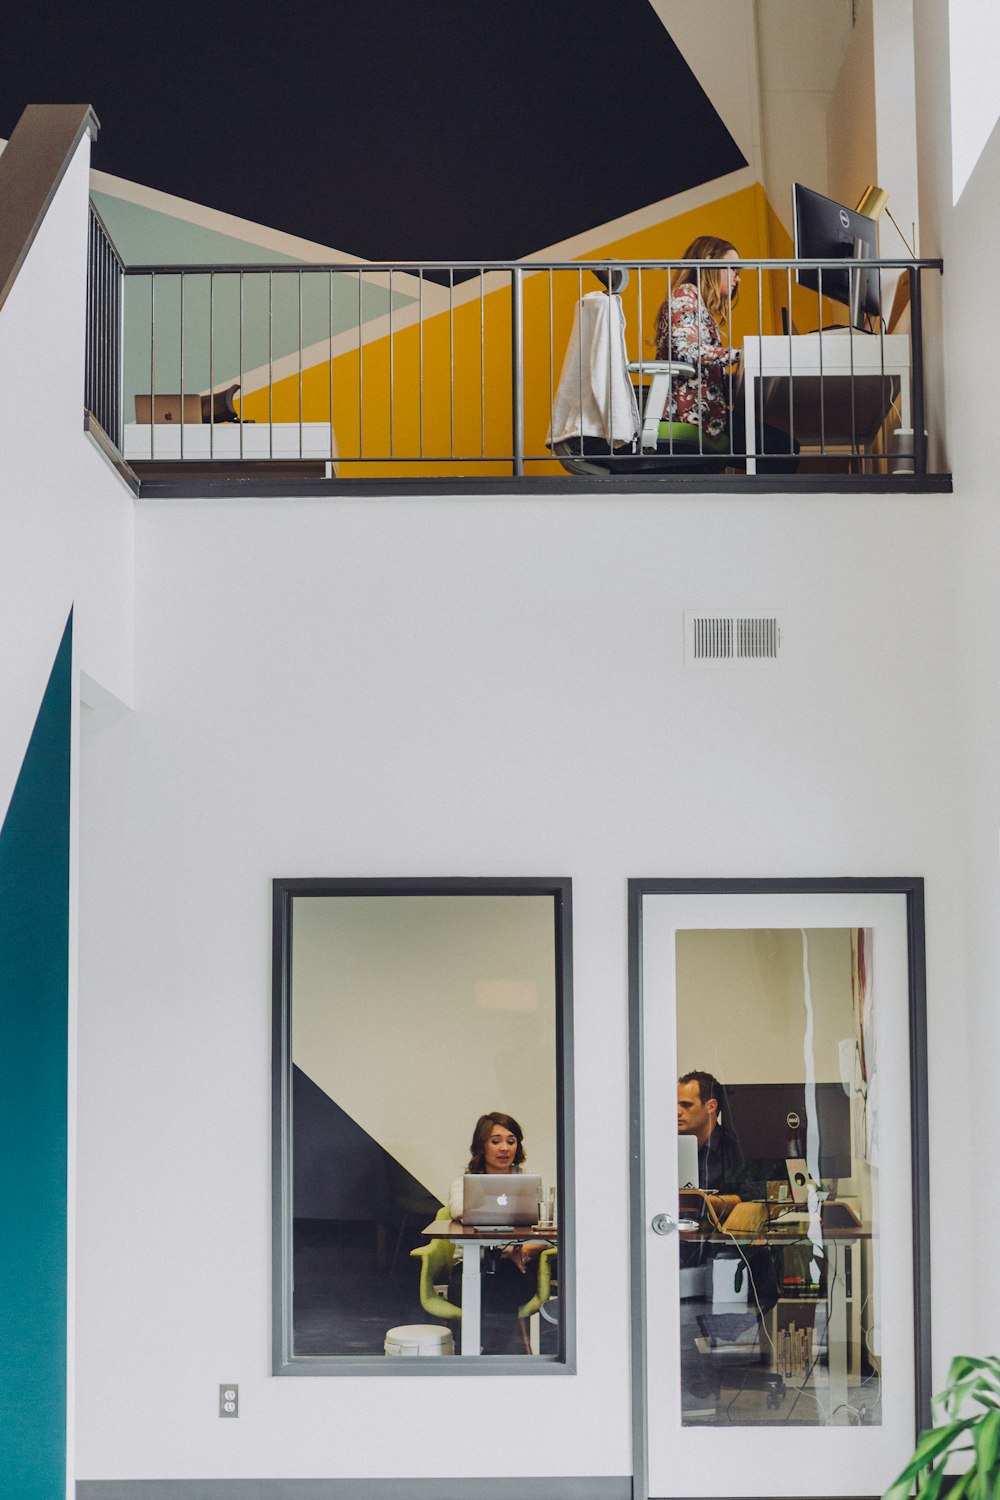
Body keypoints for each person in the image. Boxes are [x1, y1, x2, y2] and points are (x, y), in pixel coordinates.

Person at [655, 235, 799, 473]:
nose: (737, 278)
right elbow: (685, 350)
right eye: (733, 268)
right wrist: (742, 355)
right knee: (785, 449)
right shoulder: (685, 294)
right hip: (693, 416)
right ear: (708, 262)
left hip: (704, 415)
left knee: (782, 448)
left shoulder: (696, 302)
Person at [447, 1112, 544, 1355]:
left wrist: (529, 1247)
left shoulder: (528, 1181)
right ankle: (482, 1353)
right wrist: (506, 1249)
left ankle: (483, 1353)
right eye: (496, 1141)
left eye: (511, 1141)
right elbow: (459, 1210)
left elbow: (548, 1223)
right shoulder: (465, 1182)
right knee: (475, 1285)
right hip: (472, 1264)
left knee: (502, 1286)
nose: (504, 1148)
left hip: (517, 1267)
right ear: (482, 1146)